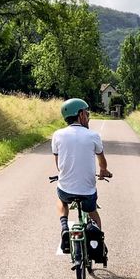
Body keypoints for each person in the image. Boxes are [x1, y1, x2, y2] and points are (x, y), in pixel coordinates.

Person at [51, 98, 111, 253]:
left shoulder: (57, 135)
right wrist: (103, 171)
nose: (88, 116)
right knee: (92, 212)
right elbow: (102, 162)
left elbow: (58, 165)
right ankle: (99, 244)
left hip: (66, 189)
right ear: (81, 114)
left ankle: (64, 226)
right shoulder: (93, 135)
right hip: (87, 192)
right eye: (87, 113)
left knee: (61, 199)